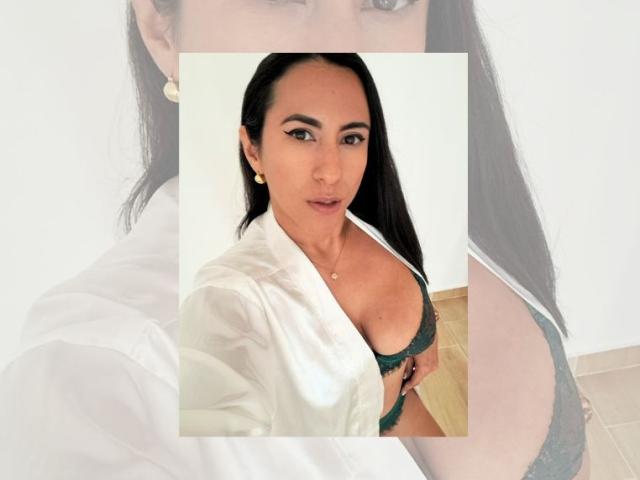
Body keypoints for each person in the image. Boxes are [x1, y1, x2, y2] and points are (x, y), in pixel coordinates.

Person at [0, 0, 591, 478]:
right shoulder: (101, 376)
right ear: (161, 23)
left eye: (387, 0)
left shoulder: (450, 213)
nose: (342, 45)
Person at [179, 53, 445, 437]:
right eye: (301, 134)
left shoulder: (380, 221)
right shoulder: (230, 297)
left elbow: (411, 278)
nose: (332, 173)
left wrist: (426, 329)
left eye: (351, 138)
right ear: (253, 150)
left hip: (404, 413)